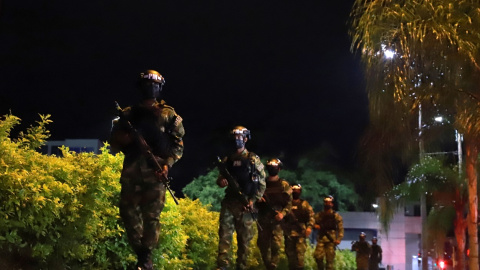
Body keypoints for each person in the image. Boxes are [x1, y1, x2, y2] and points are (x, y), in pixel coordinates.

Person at [110, 70, 185, 270]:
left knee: (152, 217)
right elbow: (114, 143)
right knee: (127, 213)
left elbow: (178, 145)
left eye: (154, 84)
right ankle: (142, 254)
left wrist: (167, 164)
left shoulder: (169, 115)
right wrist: (126, 138)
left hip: (156, 171)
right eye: (146, 83)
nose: (150, 88)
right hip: (132, 171)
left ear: (160, 88)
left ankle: (146, 259)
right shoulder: (127, 114)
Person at [216, 126, 266, 270]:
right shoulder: (227, 160)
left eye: (240, 137)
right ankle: (222, 266)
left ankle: (242, 267)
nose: (237, 140)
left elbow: (262, 184)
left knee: (244, 242)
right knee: (224, 236)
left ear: (245, 139)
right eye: (234, 137)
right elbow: (220, 180)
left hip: (246, 206)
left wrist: (252, 200)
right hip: (230, 203)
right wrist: (221, 182)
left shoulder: (253, 160)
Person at [256, 158, 292, 270]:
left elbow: (289, 203)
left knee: (276, 245)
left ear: (279, 169)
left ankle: (273, 265)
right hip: (263, 218)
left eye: (275, 166)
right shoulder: (262, 184)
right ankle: (268, 265)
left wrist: (282, 214)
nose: (273, 168)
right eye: (271, 166)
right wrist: (258, 199)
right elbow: (253, 199)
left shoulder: (284, 185)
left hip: (277, 219)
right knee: (263, 245)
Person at [283, 184, 315, 270]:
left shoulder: (304, 204)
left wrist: (309, 227)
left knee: (300, 256)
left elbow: (311, 217)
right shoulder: (286, 204)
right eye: (294, 190)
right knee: (290, 257)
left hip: (301, 233)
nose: (295, 192)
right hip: (289, 233)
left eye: (297, 190)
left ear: (300, 191)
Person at [313, 196, 344, 270]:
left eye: (329, 202)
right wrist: (315, 226)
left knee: (330, 261)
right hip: (321, 238)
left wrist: (339, 239)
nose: (327, 204)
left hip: (331, 240)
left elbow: (340, 228)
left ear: (332, 204)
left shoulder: (336, 216)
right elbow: (311, 222)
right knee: (318, 256)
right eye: (326, 202)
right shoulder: (319, 215)